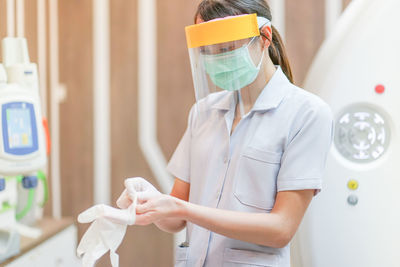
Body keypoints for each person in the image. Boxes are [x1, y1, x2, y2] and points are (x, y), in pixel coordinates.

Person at [117, 1, 333, 266]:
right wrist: (150, 201)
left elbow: (281, 229)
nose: (219, 59)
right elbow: (175, 220)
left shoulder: (306, 114)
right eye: (210, 52)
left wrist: (181, 208)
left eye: (229, 49)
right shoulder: (203, 112)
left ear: (264, 38)